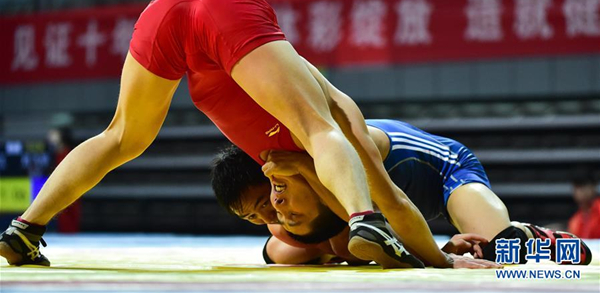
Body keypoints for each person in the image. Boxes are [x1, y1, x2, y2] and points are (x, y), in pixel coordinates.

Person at [1, 0, 439, 269]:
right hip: (226, 15)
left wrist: (325, 233)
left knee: (122, 137)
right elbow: (394, 202)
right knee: (319, 128)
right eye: (294, 213)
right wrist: (440, 261)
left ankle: (25, 228)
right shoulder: (343, 130)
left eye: (275, 215)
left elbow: (310, 240)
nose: (279, 210)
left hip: (171, 21)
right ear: (329, 198)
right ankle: (367, 219)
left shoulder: (270, 166)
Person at [211, 119, 592, 266]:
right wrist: (438, 251)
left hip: (445, 174)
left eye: (272, 197)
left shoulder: (334, 154)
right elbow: (370, 241)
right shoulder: (283, 227)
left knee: (500, 246)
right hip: (393, 207)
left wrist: (434, 255)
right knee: (286, 254)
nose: (273, 215)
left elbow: (388, 211)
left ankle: (539, 238)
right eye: (253, 217)